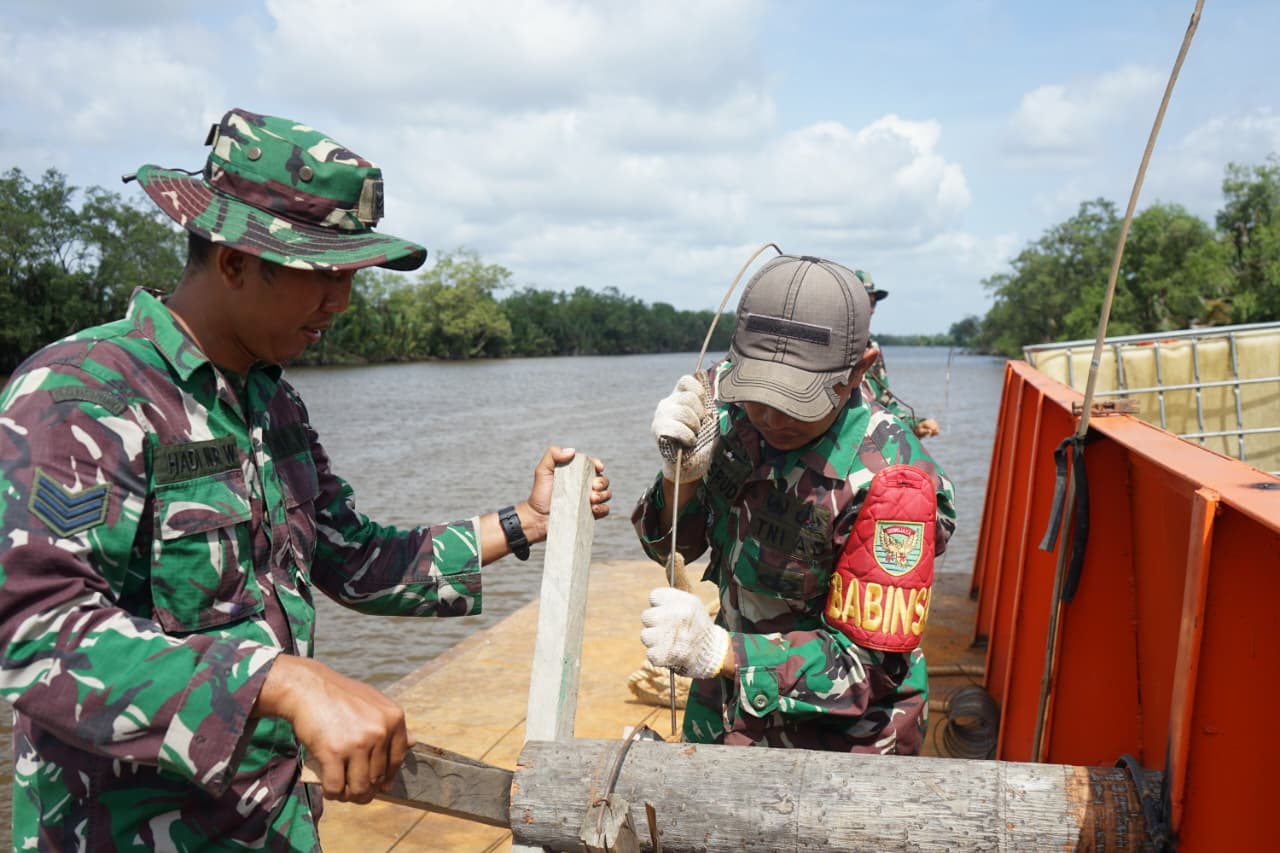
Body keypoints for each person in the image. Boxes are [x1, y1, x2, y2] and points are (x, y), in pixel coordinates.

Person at [0, 107, 612, 850]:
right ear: (233, 264)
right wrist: (282, 681)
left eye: (351, 276)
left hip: (270, 824)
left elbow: (351, 557)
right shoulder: (81, 396)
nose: (342, 303)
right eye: (323, 275)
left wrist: (523, 520)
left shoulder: (271, 402)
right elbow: (36, 638)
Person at [632, 253, 955, 754]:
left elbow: (863, 670)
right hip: (726, 704)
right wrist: (682, 478)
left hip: (834, 739)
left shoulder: (896, 484)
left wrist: (719, 651)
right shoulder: (730, 406)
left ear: (858, 371)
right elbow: (670, 542)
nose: (769, 415)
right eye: (756, 392)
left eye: (797, 400)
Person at [856, 269, 942, 438]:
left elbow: (885, 402)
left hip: (871, 441)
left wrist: (915, 424)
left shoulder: (872, 348)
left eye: (873, 303)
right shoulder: (832, 349)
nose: (871, 309)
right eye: (864, 302)